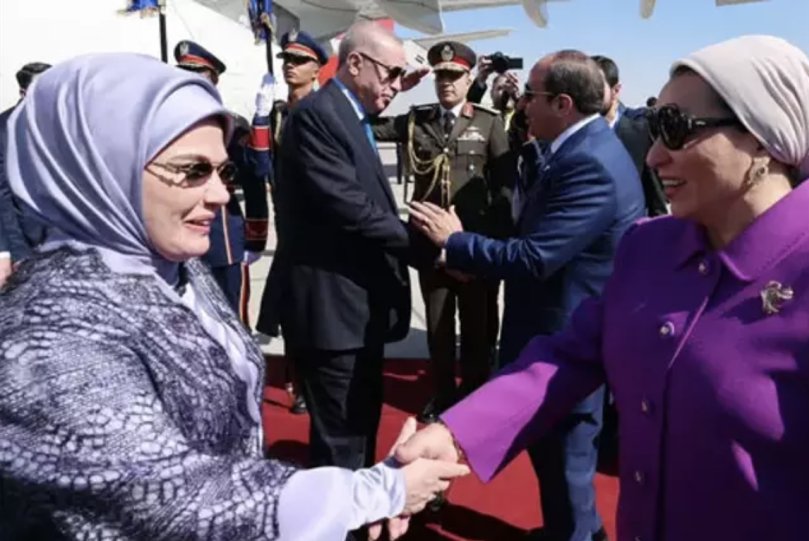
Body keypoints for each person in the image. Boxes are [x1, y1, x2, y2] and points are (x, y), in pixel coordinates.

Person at [397, 35, 809, 540]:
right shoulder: (649, 247)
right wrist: (457, 434)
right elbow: (569, 355)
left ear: (763, 139)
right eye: (656, 127)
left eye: (676, 129)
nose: (654, 155)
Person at [0, 52, 467, 539]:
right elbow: (166, 499)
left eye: (221, 173)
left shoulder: (171, 264)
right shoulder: (49, 336)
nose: (222, 195)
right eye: (192, 170)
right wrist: (372, 493)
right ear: (102, 168)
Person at [409, 50, 645, 541]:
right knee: (554, 465)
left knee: (567, 465)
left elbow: (537, 257)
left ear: (562, 104)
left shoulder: (591, 164)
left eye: (531, 97)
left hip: (565, 344)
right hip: (551, 335)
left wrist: (457, 242)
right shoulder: (574, 147)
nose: (522, 105)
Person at [273, 21, 430, 484]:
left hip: (356, 311)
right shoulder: (317, 117)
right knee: (340, 444)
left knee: (359, 428)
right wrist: (435, 251)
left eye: (402, 76)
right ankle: (338, 517)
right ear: (356, 63)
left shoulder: (348, 114)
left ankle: (356, 511)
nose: (397, 85)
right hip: (332, 313)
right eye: (392, 73)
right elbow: (352, 209)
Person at [371, 40, 513, 424]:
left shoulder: (488, 122)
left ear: (468, 80)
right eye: (440, 76)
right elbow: (365, 124)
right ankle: (444, 393)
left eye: (454, 75)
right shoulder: (417, 120)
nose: (446, 82)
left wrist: (493, 247)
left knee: (478, 328)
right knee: (438, 327)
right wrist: (395, 87)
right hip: (429, 245)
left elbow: (504, 190)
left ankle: (476, 393)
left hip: (475, 245)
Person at [252, 29, 330, 414]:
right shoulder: (279, 113)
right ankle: (299, 382)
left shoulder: (325, 109)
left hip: (320, 224)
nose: (290, 66)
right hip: (289, 223)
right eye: (286, 60)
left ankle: (318, 379)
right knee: (293, 308)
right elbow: (260, 166)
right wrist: (260, 117)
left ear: (317, 68)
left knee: (318, 307)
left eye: (299, 61)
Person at [174, 40, 270, 325]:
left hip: (221, 240)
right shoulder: (168, 124)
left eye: (198, 75)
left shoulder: (230, 126)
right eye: (183, 74)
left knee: (230, 323)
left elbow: (256, 174)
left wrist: (255, 239)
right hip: (176, 242)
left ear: (214, 81)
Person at [592, 54, 668, 216]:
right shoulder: (570, 134)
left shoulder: (639, 133)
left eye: (595, 88)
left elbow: (655, 198)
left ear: (616, 90)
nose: (587, 95)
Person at [0, 62, 51, 287]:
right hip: (25, 240)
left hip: (68, 241)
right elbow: (2, 196)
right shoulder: (3, 129)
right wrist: (11, 252)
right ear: (23, 92)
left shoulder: (66, 123)